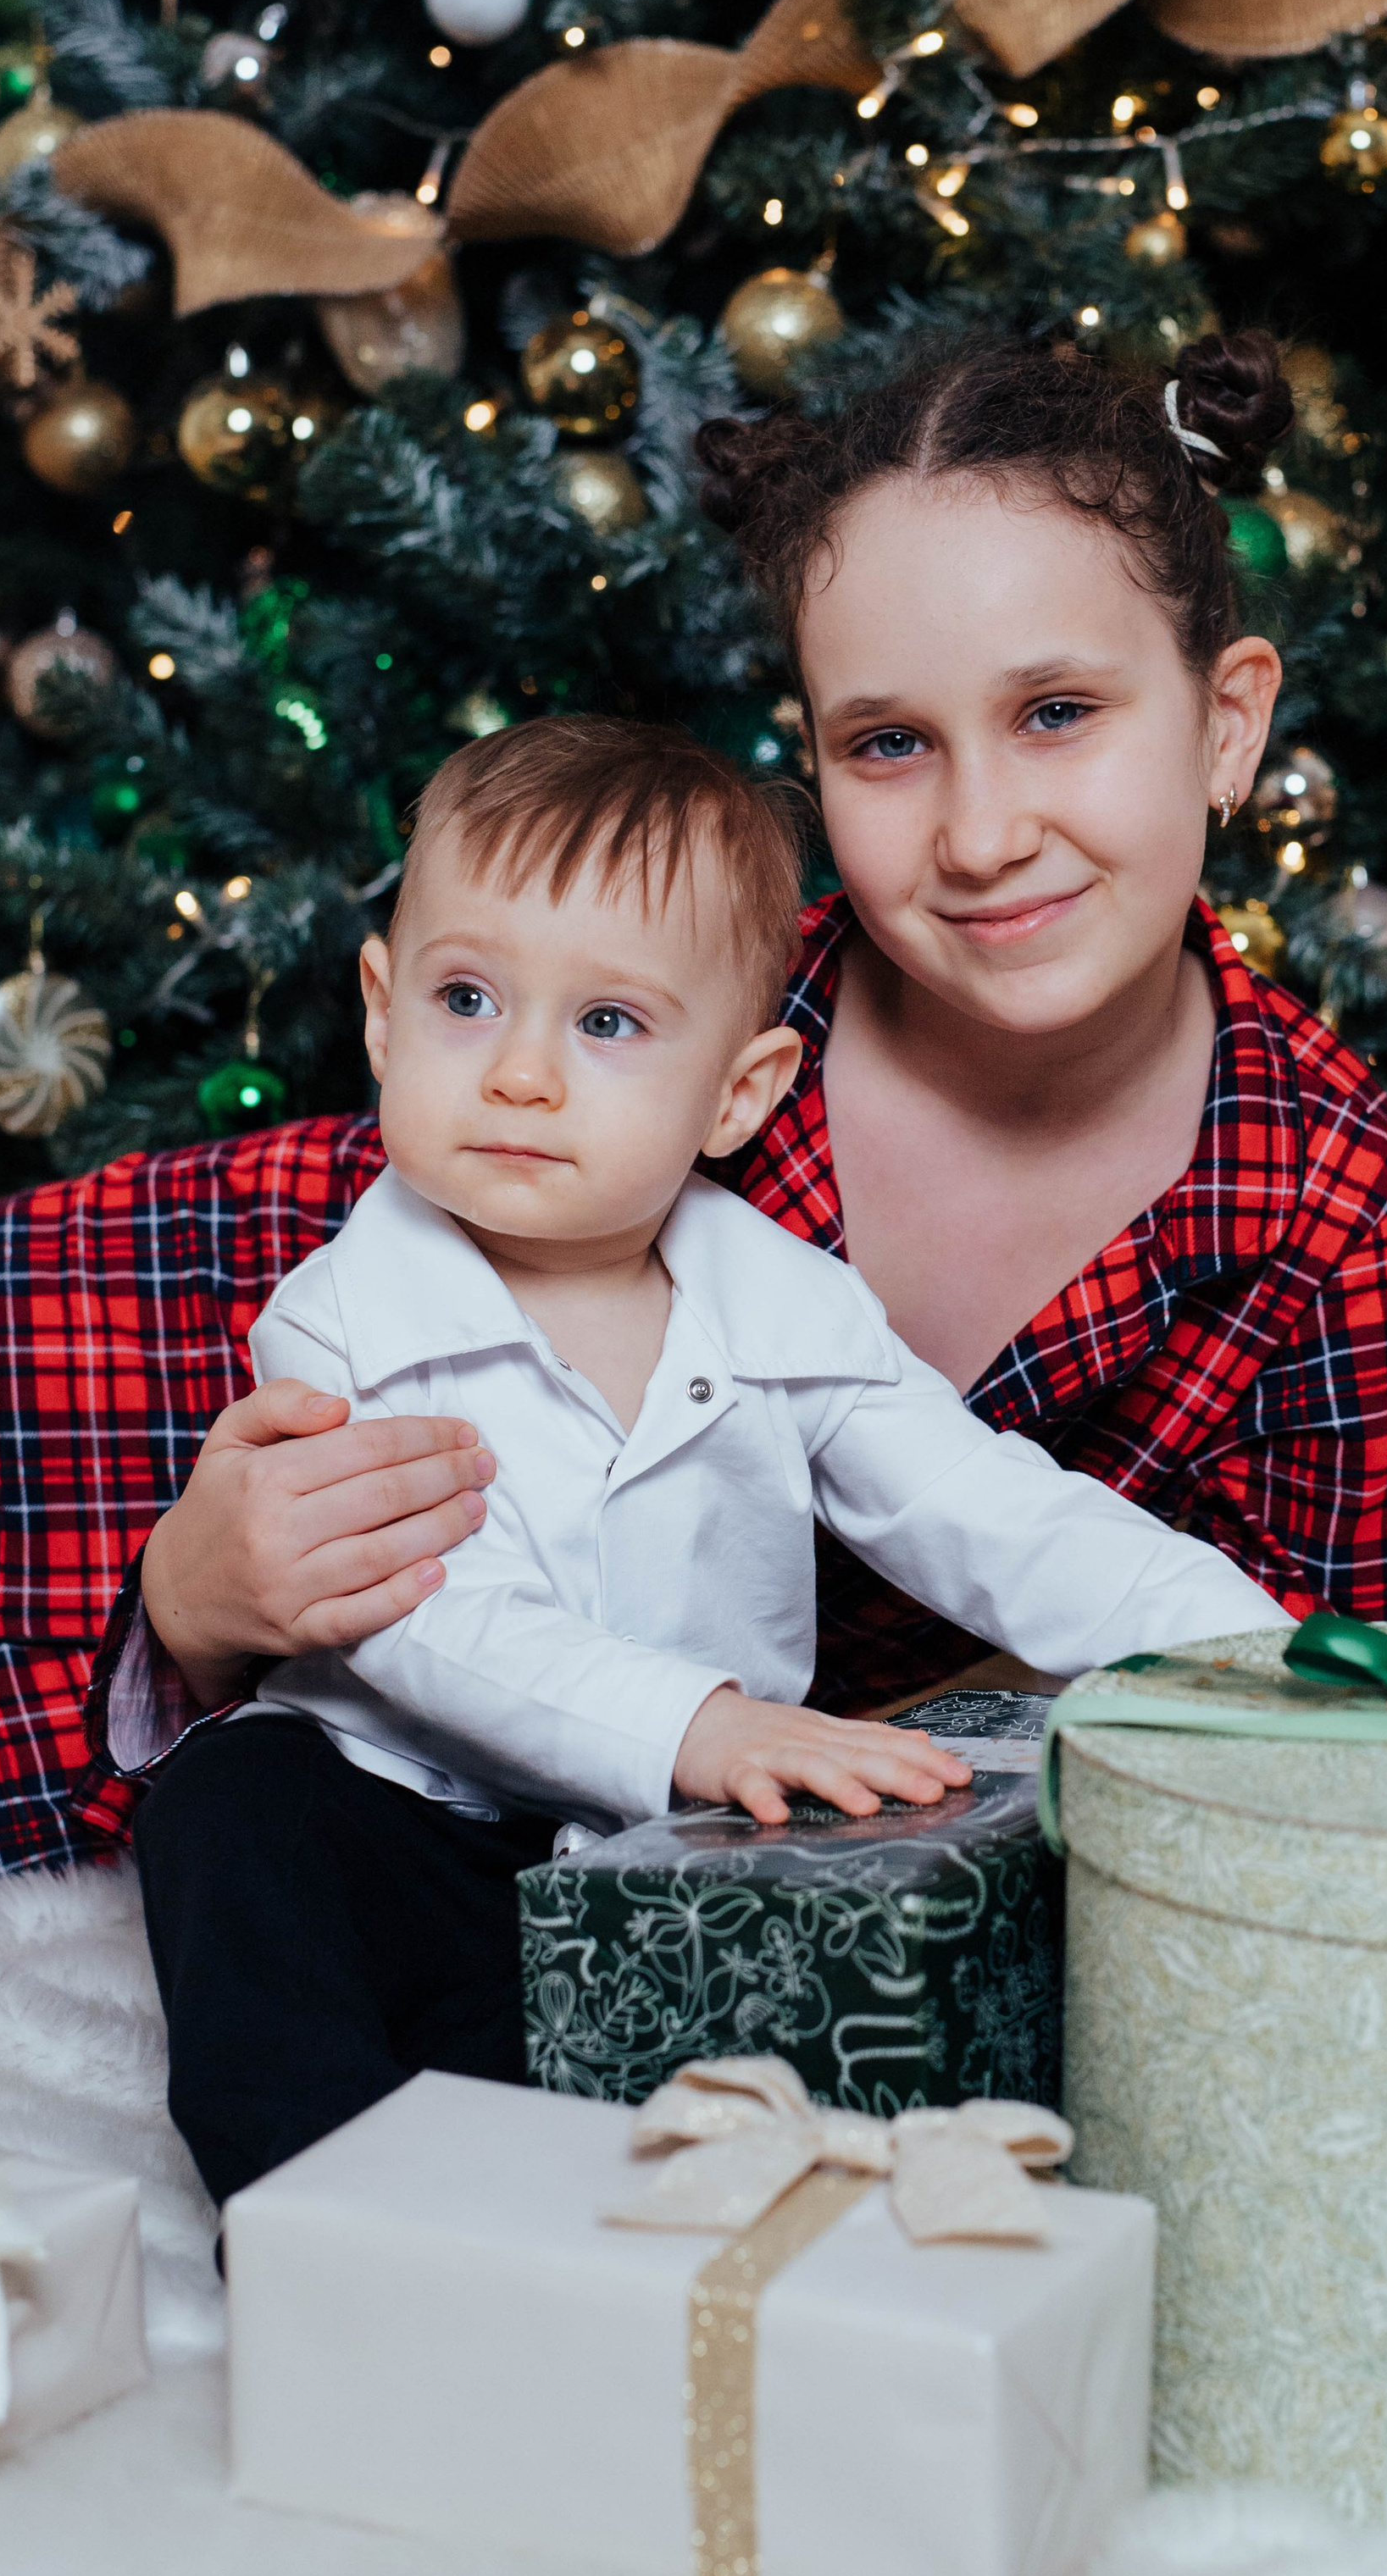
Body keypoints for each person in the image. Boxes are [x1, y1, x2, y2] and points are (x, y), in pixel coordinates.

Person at [95, 327, 1387, 1783]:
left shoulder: (1332, 1191)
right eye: (889, 745)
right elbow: (371, 1425)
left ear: (1228, 724)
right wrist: (189, 1608)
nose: (982, 837)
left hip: (718, 1798)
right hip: (284, 1507)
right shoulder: (675, 1005)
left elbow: (1303, 1703)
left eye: (1058, 714)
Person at [136, 719, 1290, 2203]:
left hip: (666, 1852)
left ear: (738, 1094)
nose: (524, 1076)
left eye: (607, 1025)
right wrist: (706, 1722)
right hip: (400, 1807)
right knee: (234, 1817)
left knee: (674, 2032)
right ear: (381, 1013)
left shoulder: (784, 1308)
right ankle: (317, 2226)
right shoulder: (348, 1321)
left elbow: (990, 1510)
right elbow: (428, 1618)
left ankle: (557, 2186)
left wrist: (1254, 1650)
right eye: (469, 999)